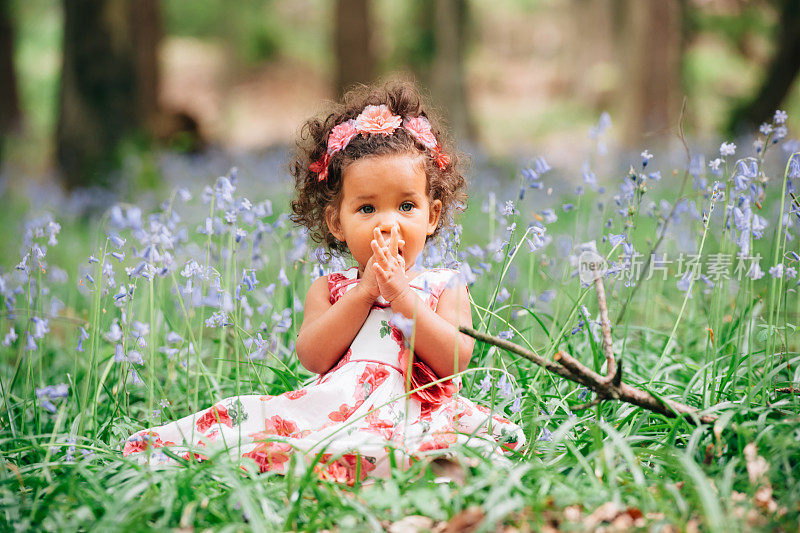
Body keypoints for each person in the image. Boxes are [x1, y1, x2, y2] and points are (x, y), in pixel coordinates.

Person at [123, 81, 526, 484]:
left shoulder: (444, 284)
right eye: (367, 208)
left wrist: (403, 297)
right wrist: (365, 293)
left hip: (415, 409)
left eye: (407, 206)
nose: (389, 222)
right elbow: (313, 357)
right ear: (337, 222)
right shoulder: (331, 289)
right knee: (275, 432)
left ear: (432, 215)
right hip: (339, 407)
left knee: (445, 447)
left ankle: (404, 466)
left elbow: (455, 360)